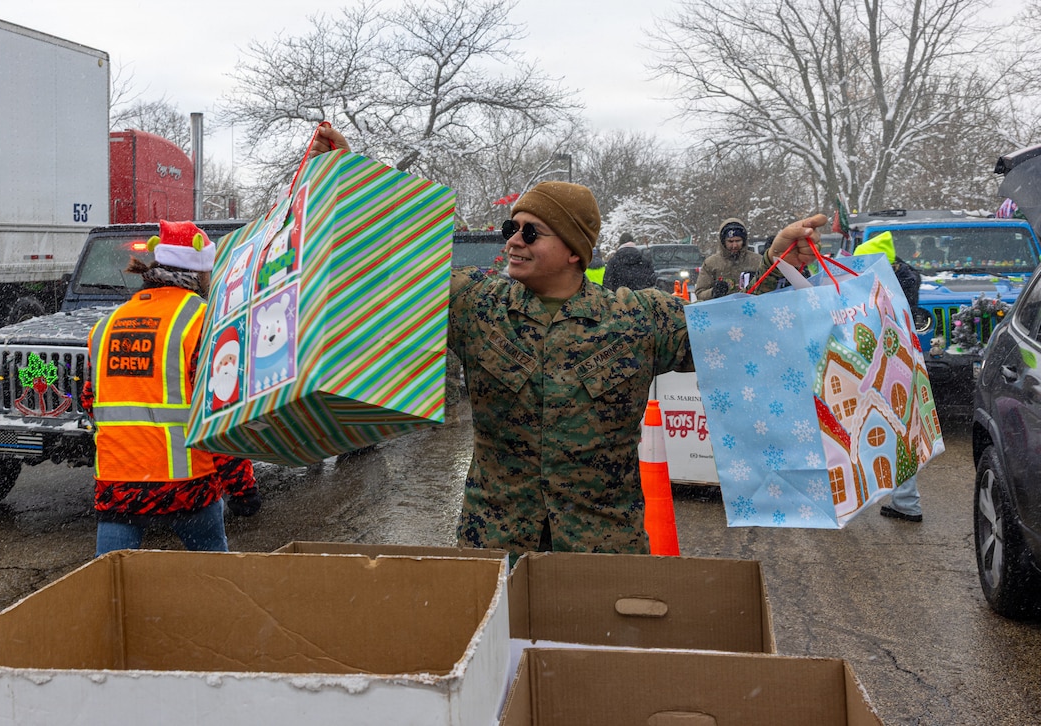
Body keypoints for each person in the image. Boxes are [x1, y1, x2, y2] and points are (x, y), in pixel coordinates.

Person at [312, 123, 825, 555]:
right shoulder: (475, 305)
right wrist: (345, 182)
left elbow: (742, 335)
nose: (513, 239)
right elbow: (385, 275)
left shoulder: (637, 319)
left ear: (575, 249)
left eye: (531, 232)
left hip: (601, 556)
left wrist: (776, 263)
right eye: (512, 227)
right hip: (494, 551)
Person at [83, 220, 261, 556]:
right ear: (200, 271)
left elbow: (91, 402)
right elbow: (222, 415)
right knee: (214, 581)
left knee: (109, 587)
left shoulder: (106, 325)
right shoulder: (204, 322)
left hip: (119, 487)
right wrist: (242, 488)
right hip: (187, 488)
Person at [853, 230, 924, 522]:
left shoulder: (882, 288)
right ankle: (906, 501)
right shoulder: (904, 280)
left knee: (867, 428)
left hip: (883, 365)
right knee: (900, 430)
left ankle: (864, 495)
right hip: (903, 365)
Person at [694, 218, 764, 300]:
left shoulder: (757, 261)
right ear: (723, 242)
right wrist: (714, 292)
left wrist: (757, 284)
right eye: (730, 241)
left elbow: (772, 288)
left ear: (744, 241)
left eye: (738, 241)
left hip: (751, 308)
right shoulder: (711, 263)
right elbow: (700, 293)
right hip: (722, 309)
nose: (734, 245)